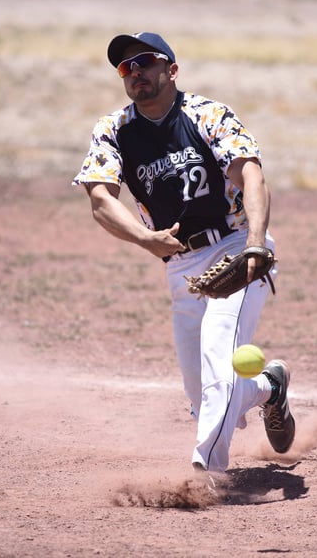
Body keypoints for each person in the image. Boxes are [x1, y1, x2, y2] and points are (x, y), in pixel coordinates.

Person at [73, 32, 295, 475]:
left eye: (146, 61)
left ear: (171, 70)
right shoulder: (113, 129)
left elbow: (251, 175)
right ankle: (269, 388)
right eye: (125, 67)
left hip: (235, 250)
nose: (135, 72)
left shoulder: (208, 114)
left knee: (219, 362)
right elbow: (100, 199)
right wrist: (143, 237)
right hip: (182, 267)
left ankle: (207, 472)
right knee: (204, 394)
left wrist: (255, 241)